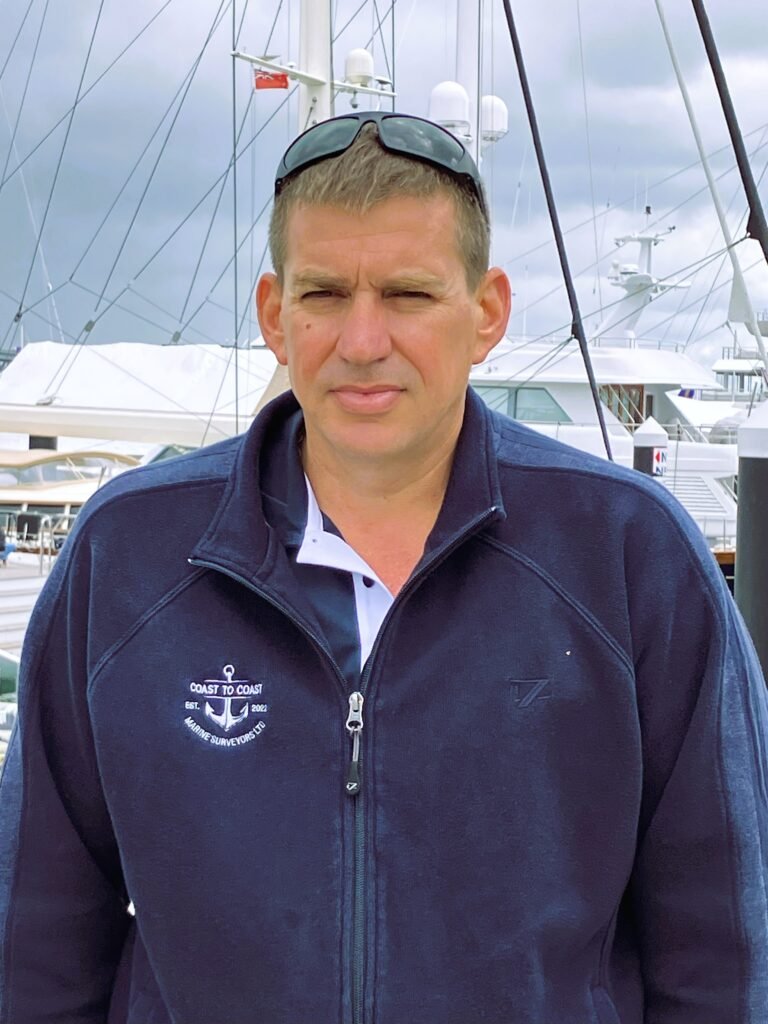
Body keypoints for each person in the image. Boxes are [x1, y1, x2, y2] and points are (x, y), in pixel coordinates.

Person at [0, 111, 766, 1024]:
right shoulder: (126, 554)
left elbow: (723, 943)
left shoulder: (629, 552)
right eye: (324, 294)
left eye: (408, 295)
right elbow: (38, 930)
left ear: (486, 315)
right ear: (274, 315)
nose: (363, 342)